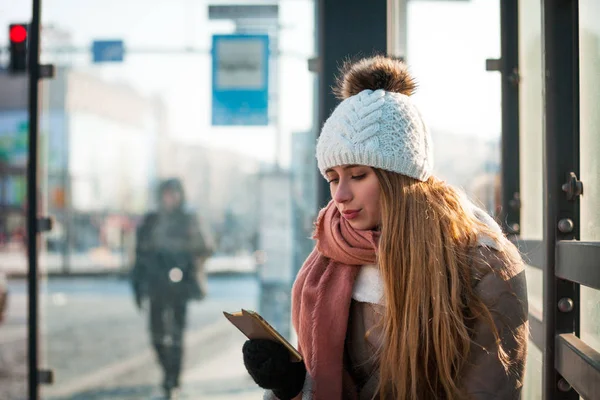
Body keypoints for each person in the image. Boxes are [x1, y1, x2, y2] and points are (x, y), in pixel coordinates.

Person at [241, 56, 528, 400]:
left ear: (401, 177)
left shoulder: (484, 263)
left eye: (358, 175)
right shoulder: (334, 253)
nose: (341, 196)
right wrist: (290, 386)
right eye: (333, 179)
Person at [131, 178, 213, 399]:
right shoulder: (151, 221)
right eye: (166, 194)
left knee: (176, 335)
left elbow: (205, 247)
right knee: (157, 335)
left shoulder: (188, 220)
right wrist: (137, 288)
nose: (170, 198)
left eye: (173, 193)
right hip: (156, 285)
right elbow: (139, 257)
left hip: (180, 285)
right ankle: (167, 372)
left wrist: (186, 260)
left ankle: (172, 379)